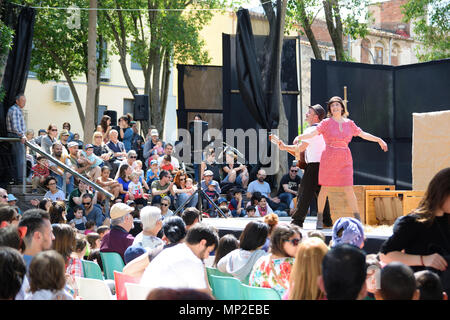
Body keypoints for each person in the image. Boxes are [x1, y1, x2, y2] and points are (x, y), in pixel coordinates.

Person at [295, 97, 388, 228]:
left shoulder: (349, 123)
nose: (335, 107)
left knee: (348, 189)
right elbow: (313, 134)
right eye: (332, 106)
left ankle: (358, 220)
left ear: (342, 107)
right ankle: (320, 219)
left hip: (344, 158)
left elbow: (363, 134)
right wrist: (299, 136)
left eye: (337, 105)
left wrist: (379, 140)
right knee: (324, 189)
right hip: (329, 157)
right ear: (330, 109)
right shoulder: (326, 123)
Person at [379, 167, 450, 291]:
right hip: (423, 291)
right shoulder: (413, 222)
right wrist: (423, 260)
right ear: (442, 193)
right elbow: (385, 255)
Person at [140, 223, 218, 294]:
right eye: (208, 251)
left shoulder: (167, 252)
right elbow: (204, 296)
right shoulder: (194, 261)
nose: (207, 257)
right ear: (203, 243)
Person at [122, 215, 187, 279]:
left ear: (165, 236)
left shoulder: (158, 251)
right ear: (185, 230)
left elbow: (127, 270)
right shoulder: (194, 250)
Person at [249, 224, 301, 296]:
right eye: (295, 242)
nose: (299, 245)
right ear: (281, 242)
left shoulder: (261, 260)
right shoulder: (293, 264)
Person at [6, 94, 27, 183]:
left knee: (19, 158)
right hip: (16, 136)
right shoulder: (15, 110)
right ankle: (20, 180)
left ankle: (19, 179)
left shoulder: (17, 109)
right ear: (17, 101)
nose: (24, 103)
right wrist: (22, 135)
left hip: (16, 136)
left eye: (25, 101)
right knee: (20, 159)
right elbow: (15, 127)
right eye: (22, 101)